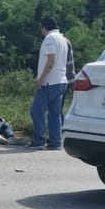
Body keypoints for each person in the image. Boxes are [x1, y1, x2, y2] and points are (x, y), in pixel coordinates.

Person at [23, 16, 69, 150]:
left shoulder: (50, 39)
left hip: (50, 82)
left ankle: (39, 140)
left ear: (44, 27)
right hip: (62, 81)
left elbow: (50, 62)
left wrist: (40, 80)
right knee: (54, 113)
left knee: (36, 110)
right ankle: (55, 141)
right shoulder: (63, 39)